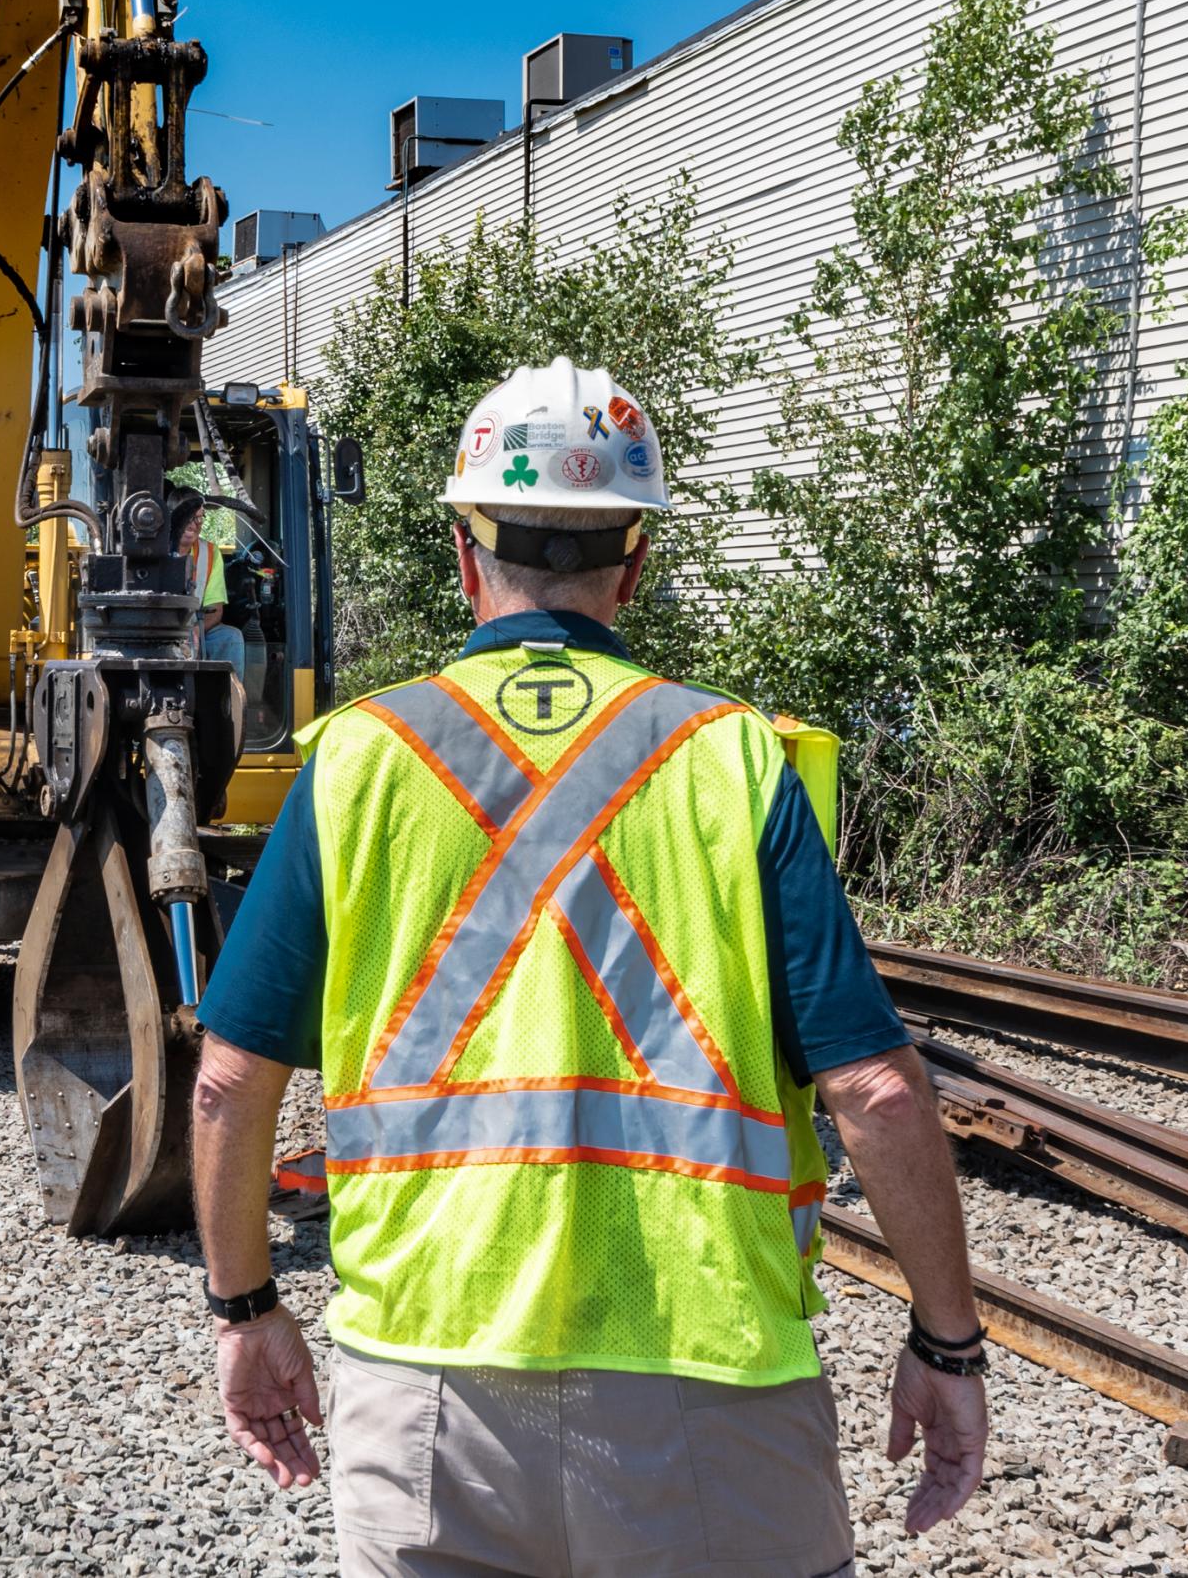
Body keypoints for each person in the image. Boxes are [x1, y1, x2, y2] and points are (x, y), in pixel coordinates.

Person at [189, 358, 989, 1577]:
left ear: (466, 556)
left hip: (424, 1382)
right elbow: (876, 1092)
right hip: (710, 1379)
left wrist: (246, 1312)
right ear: (635, 563)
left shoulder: (356, 760)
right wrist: (946, 1343)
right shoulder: (733, 757)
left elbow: (227, 1083)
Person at [182, 503, 245, 677]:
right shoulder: (148, 549)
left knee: (230, 637)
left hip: (195, 626)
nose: (194, 524)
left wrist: (195, 632)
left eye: (199, 517)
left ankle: (228, 700)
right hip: (154, 629)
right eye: (188, 517)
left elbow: (215, 610)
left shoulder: (209, 553)